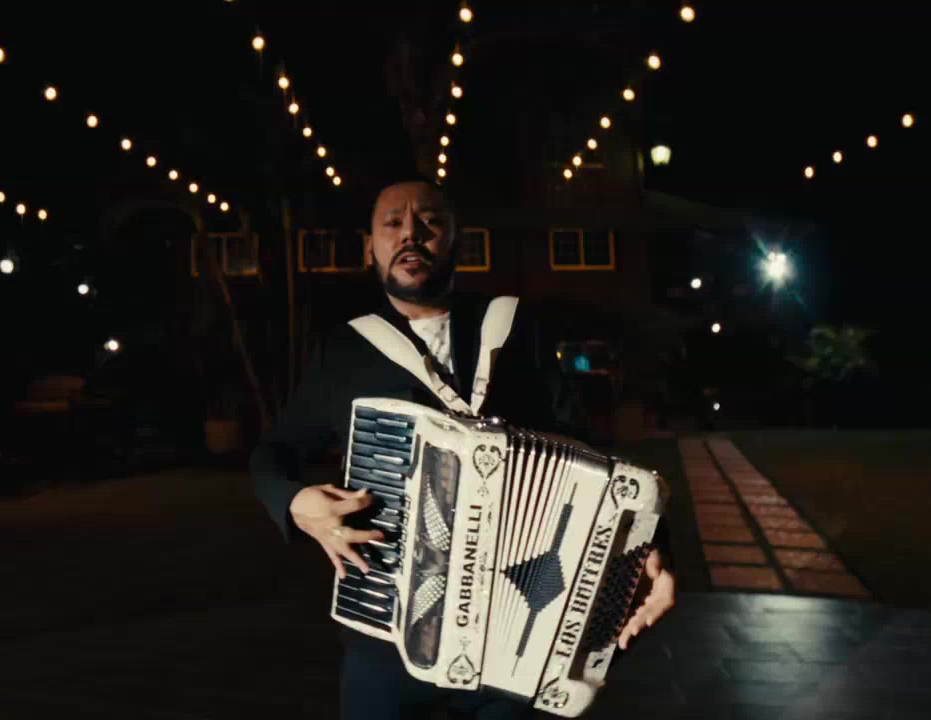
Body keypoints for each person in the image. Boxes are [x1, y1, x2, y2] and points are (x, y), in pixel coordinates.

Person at [250, 177, 675, 720]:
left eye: (430, 221)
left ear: (458, 240)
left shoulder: (517, 328)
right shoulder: (343, 351)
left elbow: (592, 458)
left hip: (515, 644)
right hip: (385, 642)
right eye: (393, 223)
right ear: (370, 248)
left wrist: (648, 544)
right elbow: (272, 453)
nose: (411, 234)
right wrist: (295, 504)